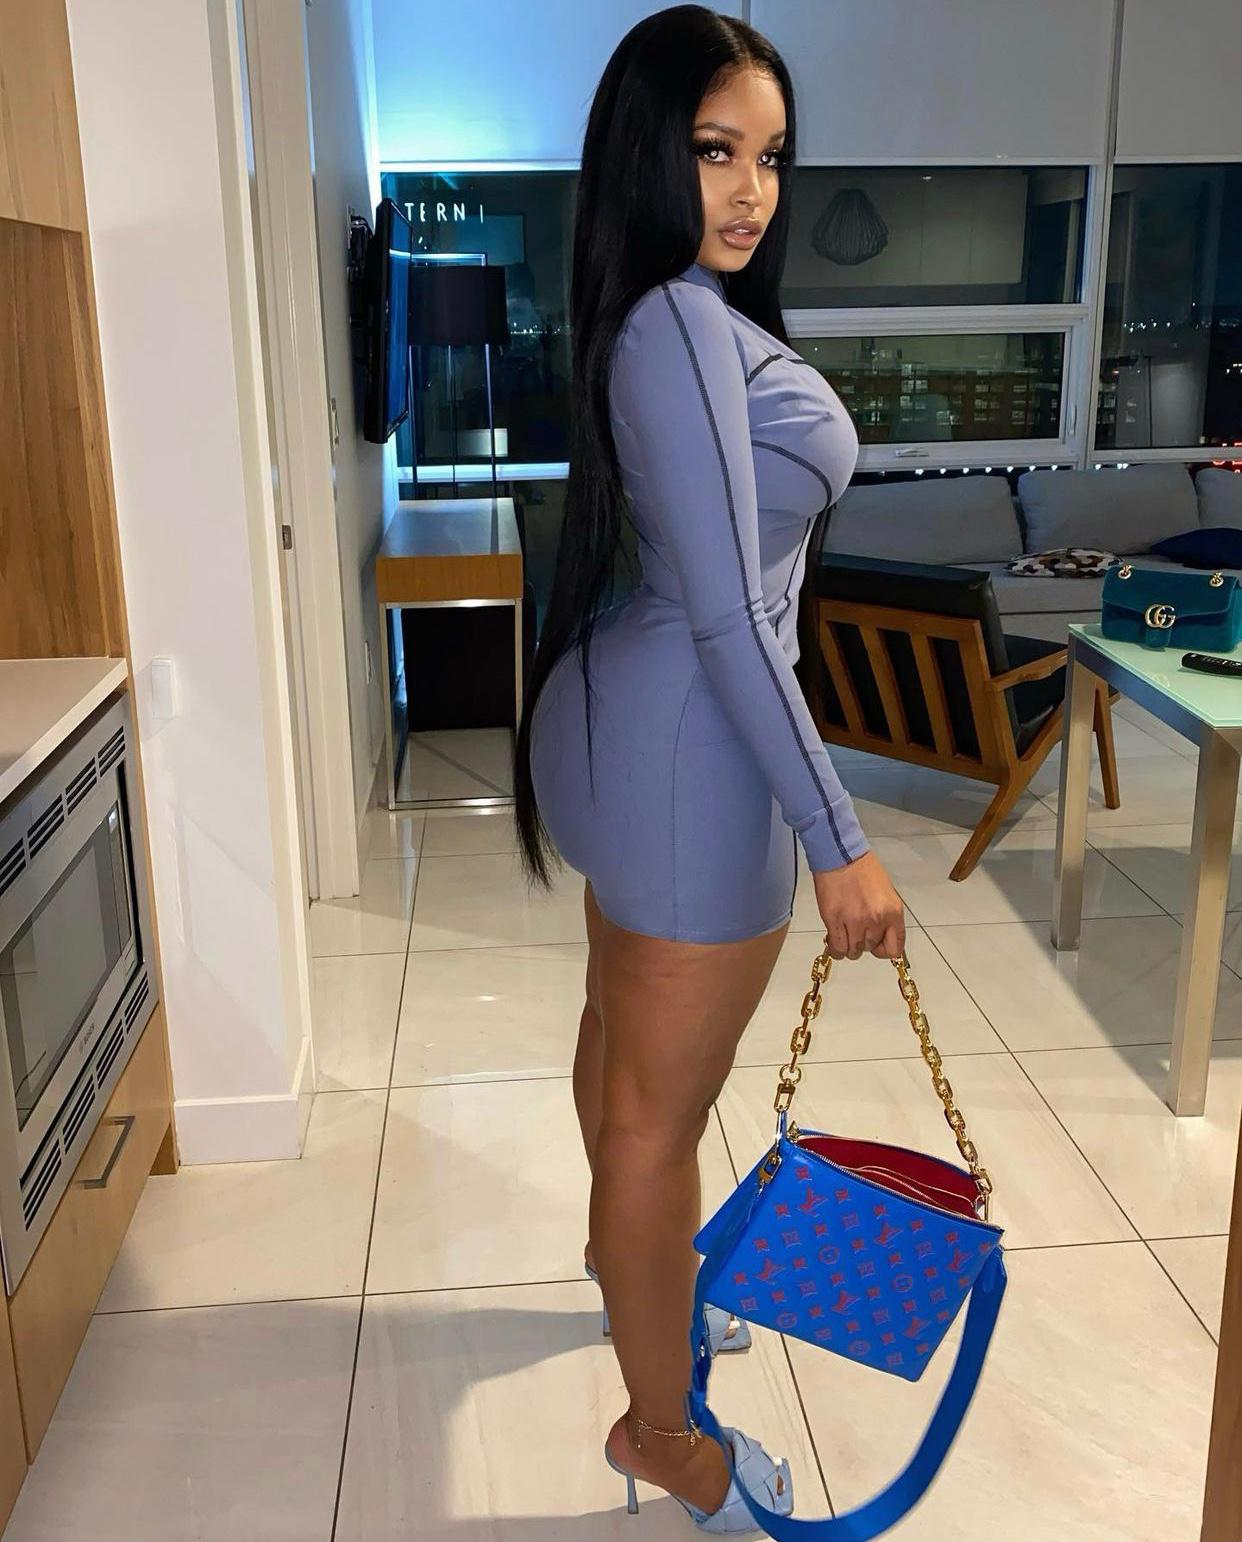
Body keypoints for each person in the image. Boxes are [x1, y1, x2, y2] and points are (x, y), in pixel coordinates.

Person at [511, 5, 906, 1531]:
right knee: (654, 1119)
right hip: (688, 753)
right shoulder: (674, 322)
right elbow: (737, 617)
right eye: (713, 150)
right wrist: (838, 836)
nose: (750, 190)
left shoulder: (651, 319)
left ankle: (635, 1274)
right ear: (646, 157)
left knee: (620, 1052)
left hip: (624, 726)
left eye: (771, 157)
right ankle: (665, 1435)